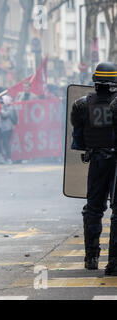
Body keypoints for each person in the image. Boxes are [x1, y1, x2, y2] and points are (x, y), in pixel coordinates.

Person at [70, 62, 117, 275]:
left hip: (97, 160)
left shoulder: (81, 105)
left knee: (93, 208)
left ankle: (91, 257)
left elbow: (78, 139)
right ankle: (114, 263)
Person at [0, 95, 17, 163]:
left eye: (2, 102)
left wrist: (0, 110)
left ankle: (8, 158)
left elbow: (4, 115)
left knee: (6, 143)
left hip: (7, 128)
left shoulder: (11, 108)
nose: (1, 103)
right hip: (0, 127)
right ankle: (0, 157)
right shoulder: (3, 107)